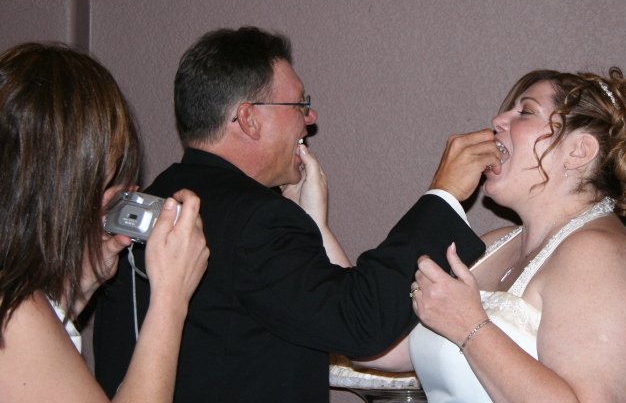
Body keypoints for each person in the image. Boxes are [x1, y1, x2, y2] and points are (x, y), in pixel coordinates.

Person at [93, 26, 498, 402]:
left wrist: (313, 222)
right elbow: (361, 320)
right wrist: (444, 194)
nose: (310, 118)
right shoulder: (257, 219)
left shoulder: (151, 200)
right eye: (300, 104)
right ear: (250, 119)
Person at [364, 68, 626, 402]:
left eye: (526, 111)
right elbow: (379, 341)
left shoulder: (599, 257)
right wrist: (320, 232)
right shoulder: (494, 245)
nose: (498, 120)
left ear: (579, 151)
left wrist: (469, 326)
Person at [0, 42, 209, 403]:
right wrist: (170, 298)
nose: (115, 196)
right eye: (106, 178)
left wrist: (75, 290)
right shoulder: (13, 313)